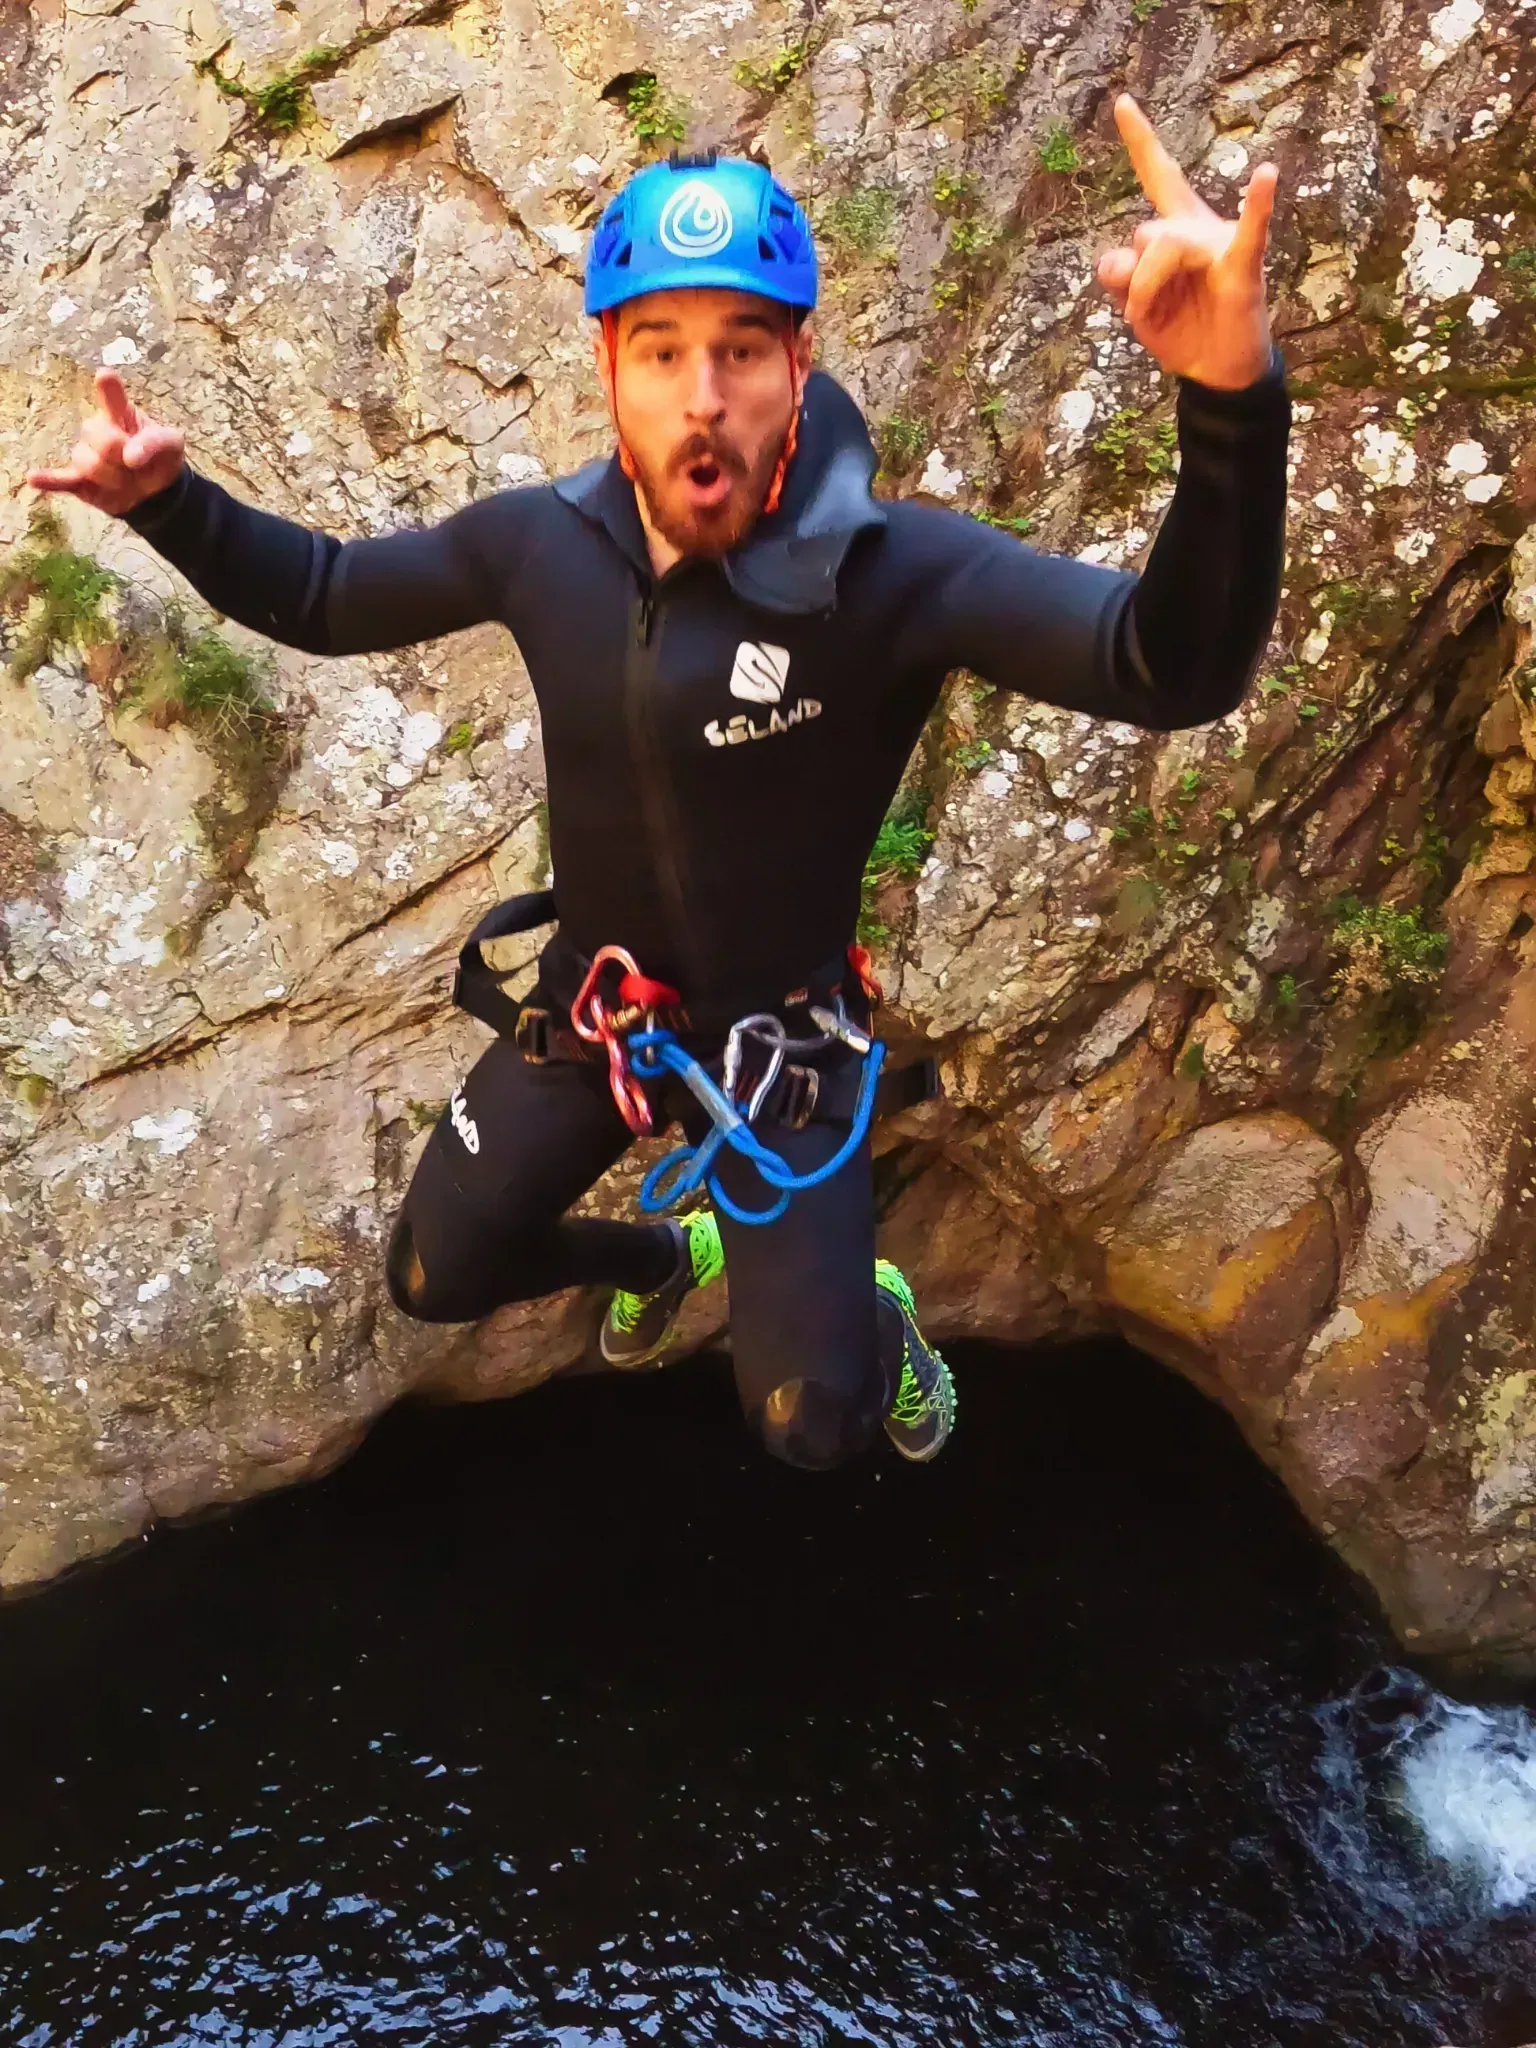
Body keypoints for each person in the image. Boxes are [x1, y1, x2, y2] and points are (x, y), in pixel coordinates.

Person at [26, 96, 1290, 1474]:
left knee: (815, 1427)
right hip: (601, 1010)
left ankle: (878, 1316)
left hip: (782, 1047)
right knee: (436, 1277)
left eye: (743, 349)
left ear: (799, 364)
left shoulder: (895, 576)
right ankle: (664, 1253)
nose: (704, 396)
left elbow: (1165, 667)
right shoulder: (539, 548)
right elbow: (330, 594)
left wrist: (1228, 397)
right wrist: (172, 505)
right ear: (605, 367)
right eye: (662, 349)